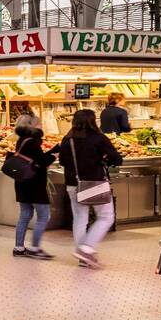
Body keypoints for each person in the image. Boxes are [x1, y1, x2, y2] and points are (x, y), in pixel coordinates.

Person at [57, 108, 122, 268]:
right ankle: (86, 248)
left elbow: (63, 162)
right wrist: (102, 160)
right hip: (95, 183)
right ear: (93, 121)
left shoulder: (67, 139)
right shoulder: (98, 138)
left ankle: (82, 255)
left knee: (80, 219)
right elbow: (116, 158)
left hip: (73, 184)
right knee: (106, 217)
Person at [10, 112, 56, 260]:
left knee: (25, 215)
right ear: (32, 126)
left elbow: (34, 159)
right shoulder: (33, 141)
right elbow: (41, 162)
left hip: (22, 182)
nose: (41, 125)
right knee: (44, 216)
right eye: (38, 123)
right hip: (35, 184)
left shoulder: (22, 140)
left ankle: (19, 247)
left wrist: (50, 152)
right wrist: (54, 155)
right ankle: (35, 248)